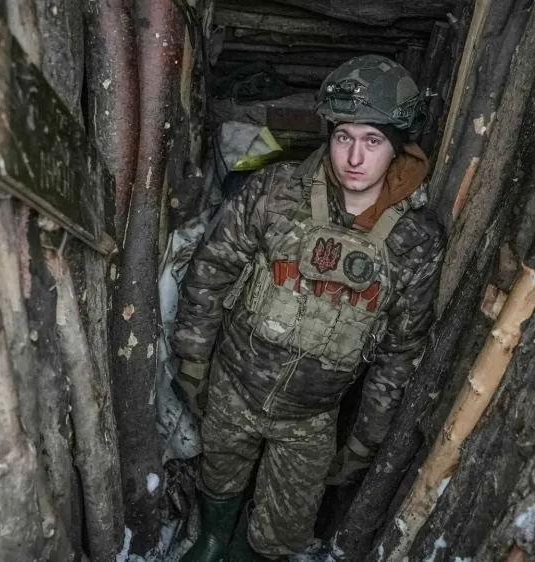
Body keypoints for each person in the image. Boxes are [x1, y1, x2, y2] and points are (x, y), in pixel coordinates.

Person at [172, 54, 445, 562]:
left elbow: (400, 351)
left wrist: (364, 440)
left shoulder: (415, 240)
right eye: (344, 137)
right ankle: (211, 539)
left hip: (313, 417)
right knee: (219, 475)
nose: (354, 157)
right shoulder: (275, 191)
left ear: (398, 147)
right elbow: (211, 270)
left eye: (373, 141)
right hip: (233, 384)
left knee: (282, 531)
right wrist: (192, 361)